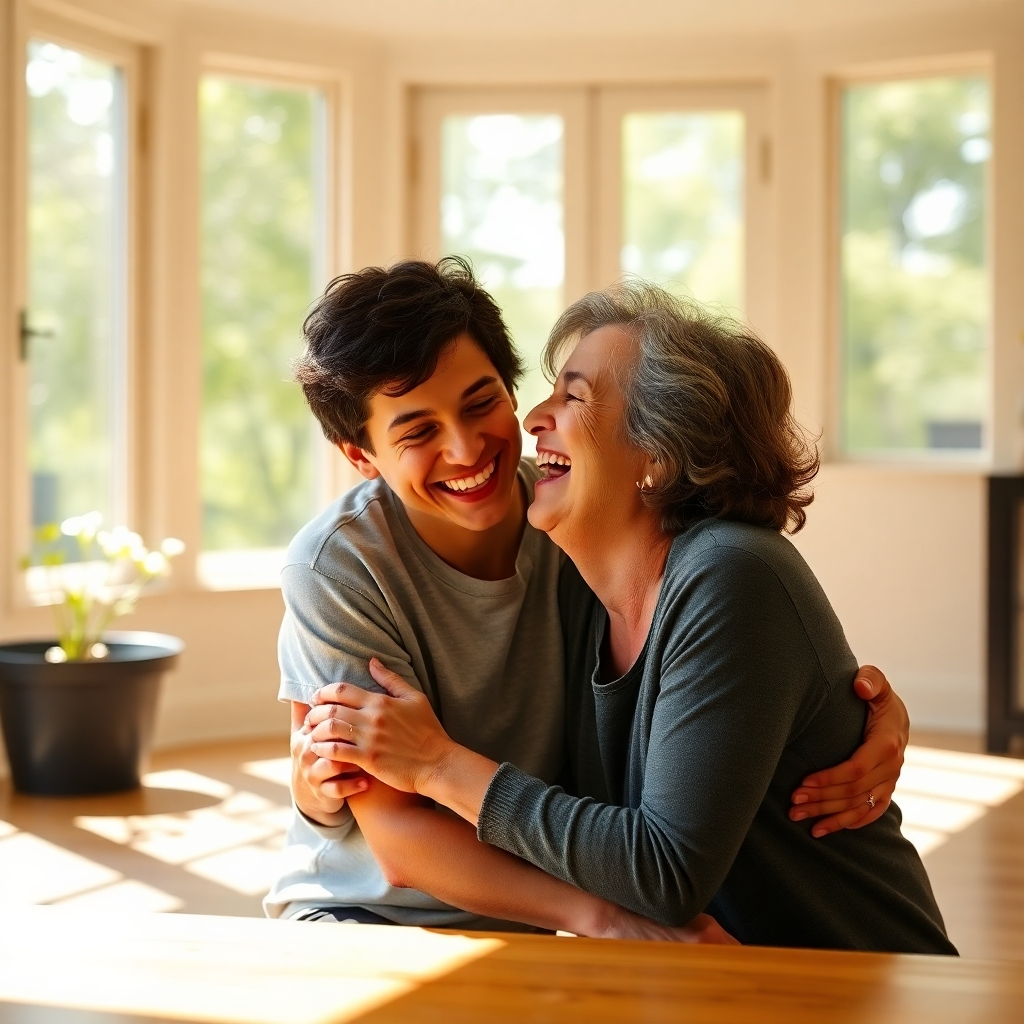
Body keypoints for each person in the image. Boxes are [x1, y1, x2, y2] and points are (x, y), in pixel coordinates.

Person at [305, 281, 955, 954]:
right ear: (361, 457)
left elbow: (663, 872)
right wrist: (315, 790)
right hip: (697, 981)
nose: (531, 421)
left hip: (849, 985)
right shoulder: (581, 589)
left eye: (573, 396)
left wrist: (438, 765)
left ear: (658, 452)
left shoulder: (729, 573)